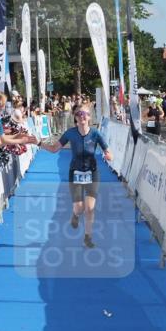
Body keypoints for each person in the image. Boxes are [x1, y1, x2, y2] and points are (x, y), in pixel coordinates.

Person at [40, 105, 112, 249]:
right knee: (79, 208)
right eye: (79, 114)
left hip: (92, 172)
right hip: (76, 173)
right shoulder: (70, 133)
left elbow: (108, 151)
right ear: (76, 117)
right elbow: (54, 149)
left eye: (85, 113)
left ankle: (87, 237)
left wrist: (108, 155)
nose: (82, 116)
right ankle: (75, 214)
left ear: (89, 117)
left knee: (90, 208)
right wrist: (38, 143)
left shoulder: (95, 134)